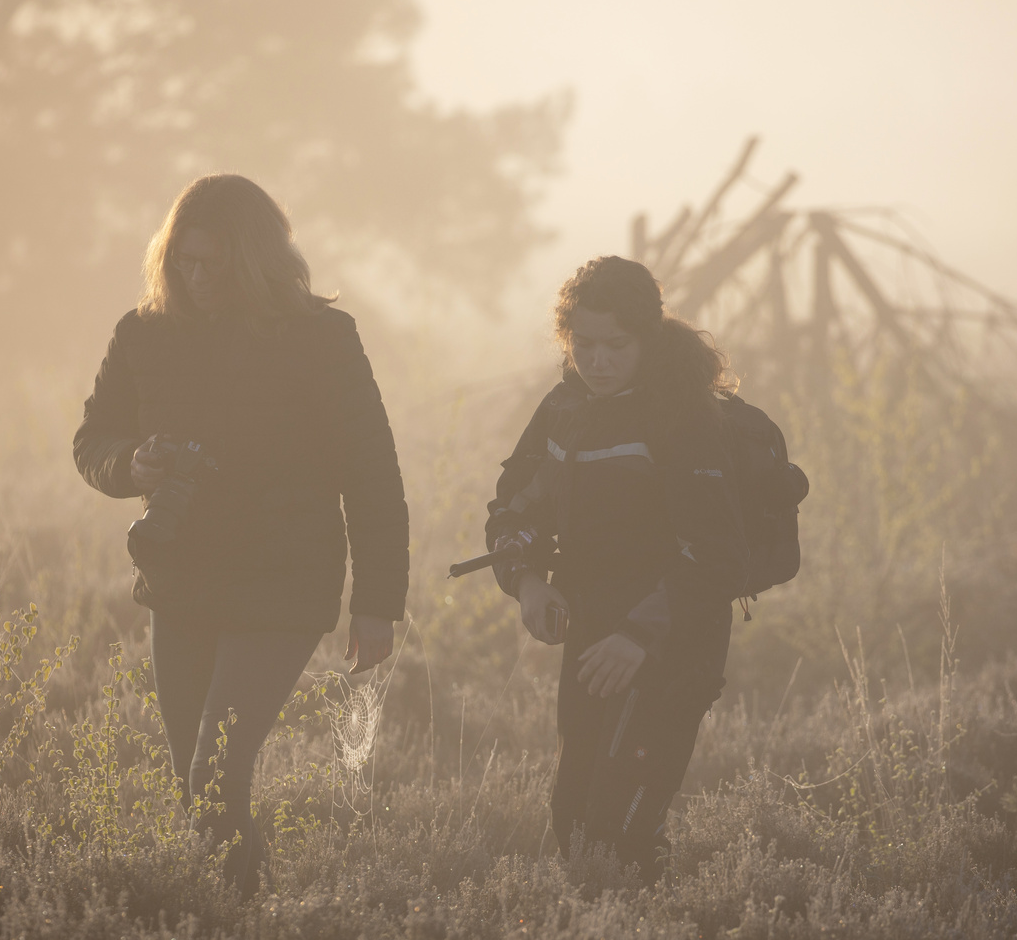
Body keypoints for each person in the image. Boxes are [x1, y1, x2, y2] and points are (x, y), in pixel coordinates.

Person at [73, 174, 409, 892]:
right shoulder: (144, 333)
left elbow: (372, 471)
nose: (196, 279)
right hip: (182, 582)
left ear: (256, 261)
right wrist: (132, 465)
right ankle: (243, 920)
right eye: (184, 263)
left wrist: (378, 602)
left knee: (215, 773)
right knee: (195, 788)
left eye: (214, 266)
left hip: (282, 587)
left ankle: (238, 922)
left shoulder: (322, 338)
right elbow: (94, 438)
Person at [485, 255, 749, 885]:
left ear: (647, 340)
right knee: (572, 819)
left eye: (616, 346)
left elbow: (718, 554)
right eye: (584, 345)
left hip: (672, 649)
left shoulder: (680, 416)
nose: (597, 361)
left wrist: (639, 636)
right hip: (592, 639)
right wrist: (527, 583)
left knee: (619, 828)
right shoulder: (565, 406)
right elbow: (510, 506)